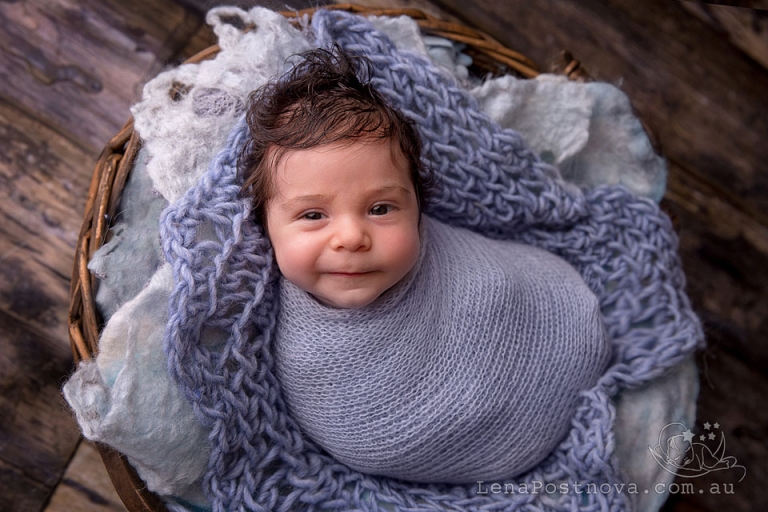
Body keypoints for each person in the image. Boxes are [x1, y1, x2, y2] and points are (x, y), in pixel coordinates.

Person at [239, 46, 610, 484]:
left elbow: (510, 286)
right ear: (265, 226)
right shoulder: (294, 348)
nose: (352, 237)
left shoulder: (457, 263)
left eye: (380, 208)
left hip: (556, 331)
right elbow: (362, 436)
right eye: (313, 215)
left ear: (418, 207)